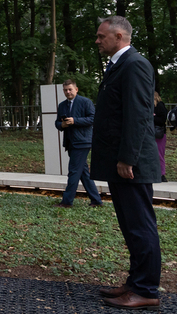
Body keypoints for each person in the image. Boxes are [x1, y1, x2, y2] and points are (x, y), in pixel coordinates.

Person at [92, 16, 161, 310]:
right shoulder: (119, 65)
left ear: (119, 36)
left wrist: (127, 158)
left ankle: (146, 289)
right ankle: (135, 282)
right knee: (130, 225)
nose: (97, 41)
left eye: (101, 36)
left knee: (140, 226)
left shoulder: (135, 64)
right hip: (119, 162)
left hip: (130, 163)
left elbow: (138, 115)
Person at [54, 79, 102, 208]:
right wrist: (62, 124)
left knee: (74, 171)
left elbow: (93, 119)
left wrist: (75, 121)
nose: (68, 92)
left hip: (83, 141)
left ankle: (67, 201)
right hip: (70, 142)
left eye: (70, 89)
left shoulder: (85, 102)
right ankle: (96, 200)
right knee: (83, 173)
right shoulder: (62, 105)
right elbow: (57, 122)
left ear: (76, 89)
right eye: (65, 90)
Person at [154, 91, 168, 182]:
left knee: (159, 154)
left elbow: (162, 119)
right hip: (152, 133)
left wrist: (152, 117)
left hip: (159, 134)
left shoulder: (160, 106)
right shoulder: (150, 106)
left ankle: (162, 174)